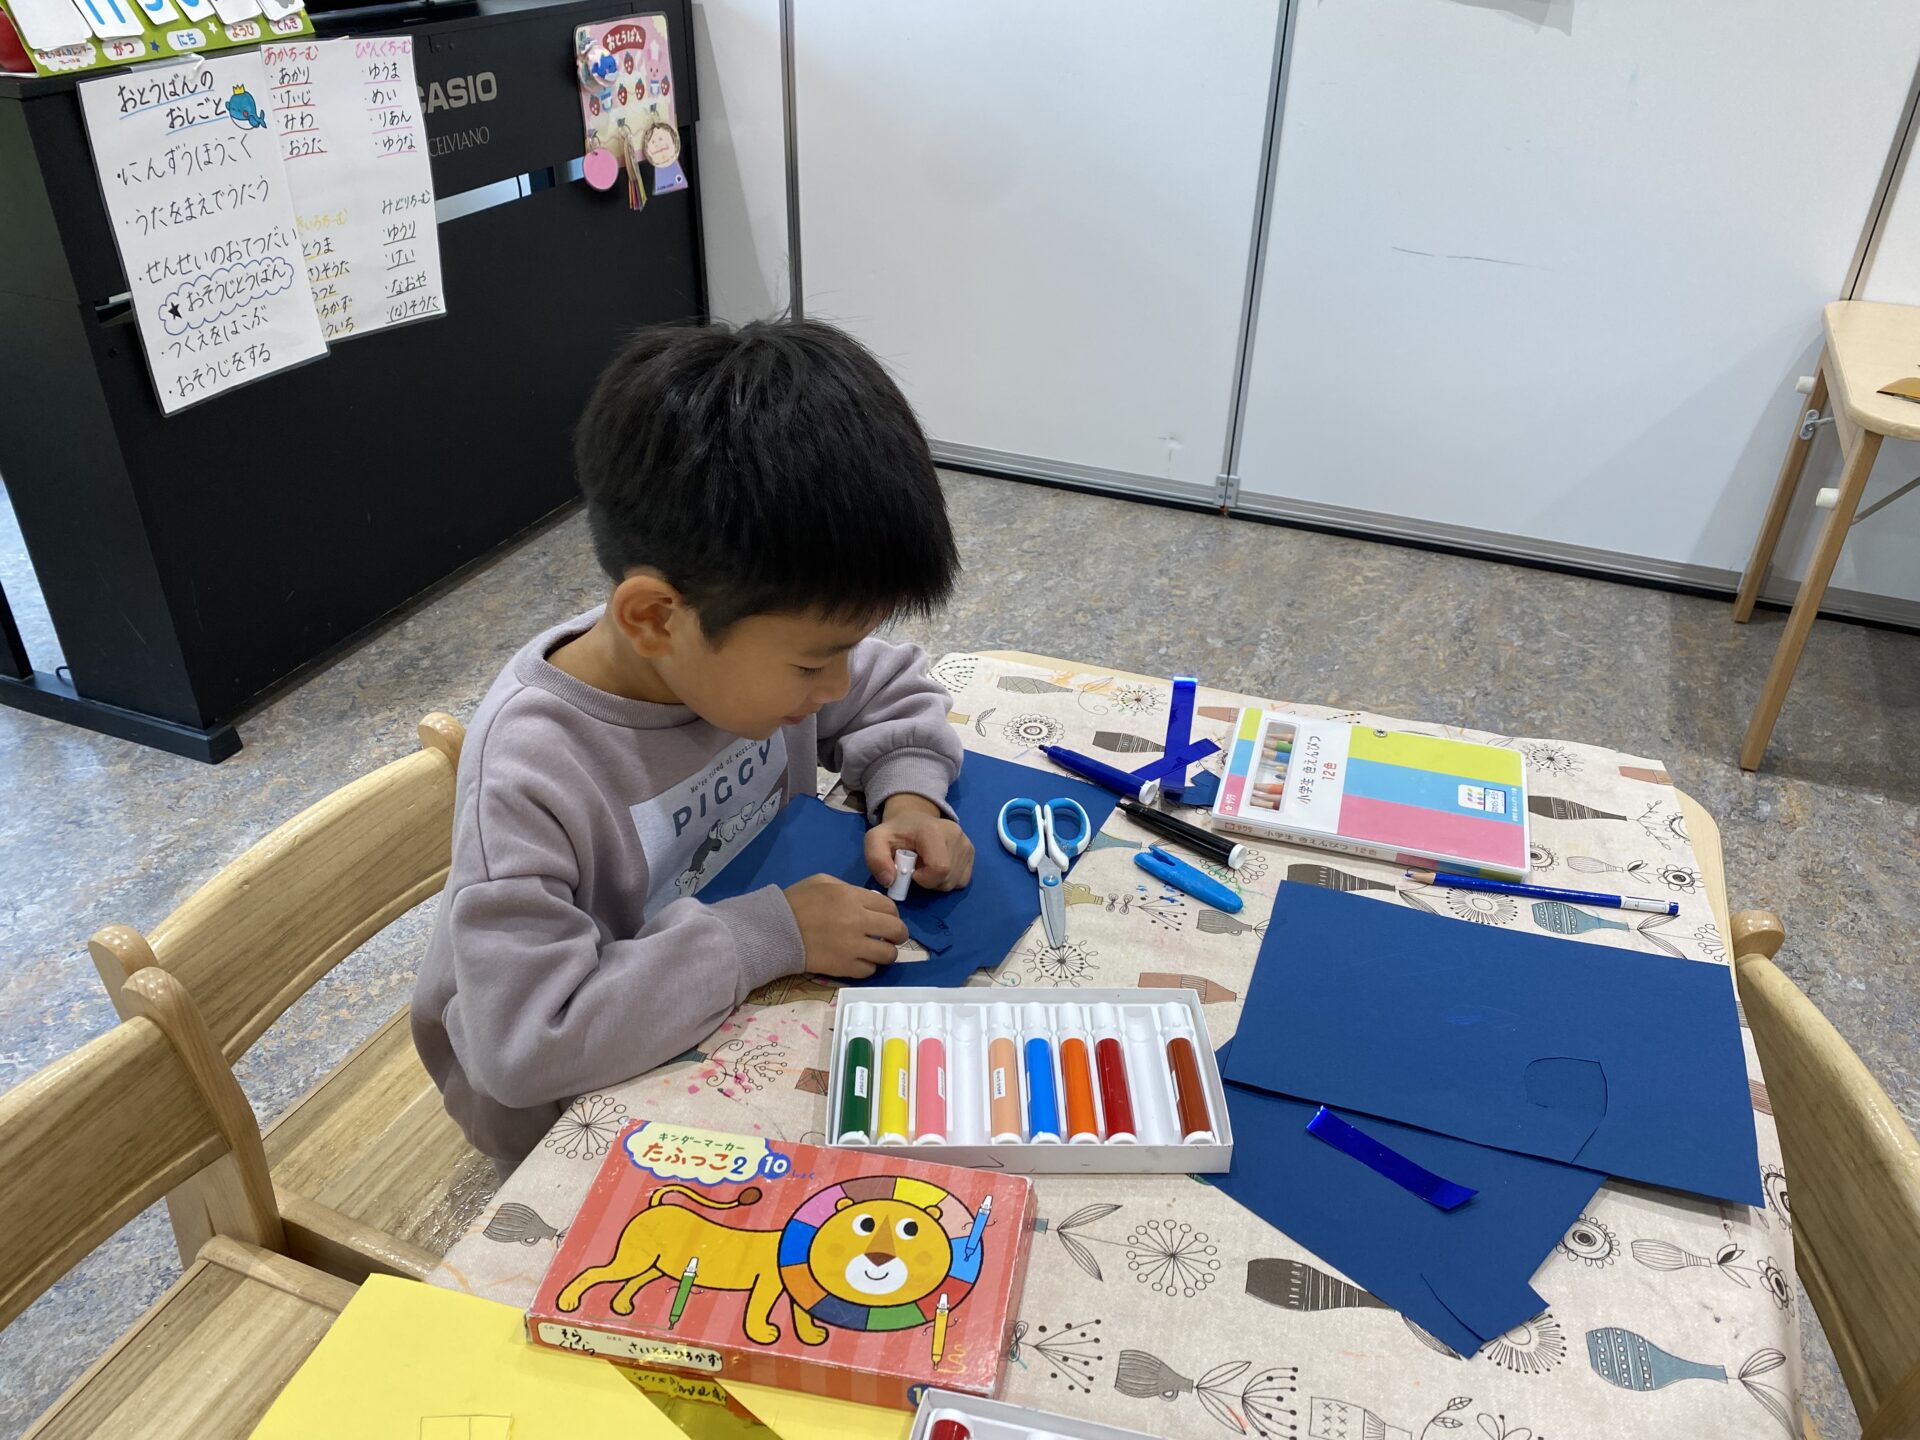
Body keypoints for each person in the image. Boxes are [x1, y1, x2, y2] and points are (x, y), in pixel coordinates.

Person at [414, 318, 970, 1165]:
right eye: (812, 663)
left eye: (846, 651)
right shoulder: (531, 770)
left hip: (729, 1012)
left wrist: (910, 796)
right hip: (577, 1111)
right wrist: (766, 935)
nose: (834, 686)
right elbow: (522, 1044)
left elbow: (888, 690)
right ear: (652, 618)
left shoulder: (729, 633)